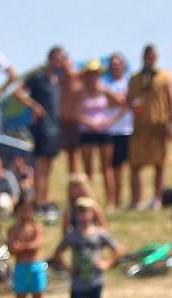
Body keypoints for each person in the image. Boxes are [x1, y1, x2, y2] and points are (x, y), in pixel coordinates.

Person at [53, 196, 120, 298]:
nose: (83, 216)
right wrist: (68, 268)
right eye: (80, 212)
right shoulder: (72, 235)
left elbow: (117, 249)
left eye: (86, 212)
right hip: (77, 284)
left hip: (94, 283)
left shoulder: (99, 234)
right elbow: (57, 253)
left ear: (92, 214)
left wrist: (107, 263)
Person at [13, 46, 64, 210]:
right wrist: (34, 106)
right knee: (40, 167)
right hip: (42, 129)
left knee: (48, 168)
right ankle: (38, 202)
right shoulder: (38, 78)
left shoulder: (56, 80)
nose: (59, 63)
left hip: (54, 128)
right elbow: (17, 92)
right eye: (57, 59)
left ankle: (44, 200)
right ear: (49, 60)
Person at [127, 45, 172, 209]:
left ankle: (157, 198)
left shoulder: (165, 77)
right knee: (135, 165)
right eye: (147, 55)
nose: (150, 58)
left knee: (159, 164)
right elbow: (128, 100)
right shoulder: (134, 78)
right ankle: (136, 200)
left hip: (158, 124)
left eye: (153, 55)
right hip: (139, 126)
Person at [74, 59, 116, 208]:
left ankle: (111, 202)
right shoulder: (81, 92)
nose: (93, 77)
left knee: (106, 168)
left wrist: (110, 121)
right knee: (88, 170)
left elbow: (123, 104)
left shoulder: (104, 90)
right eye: (90, 74)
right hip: (86, 132)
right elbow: (75, 113)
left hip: (103, 132)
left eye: (96, 74)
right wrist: (88, 122)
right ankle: (89, 201)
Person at [7, 198, 45, 298]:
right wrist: (26, 247)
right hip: (21, 269)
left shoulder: (36, 227)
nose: (26, 213)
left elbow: (36, 245)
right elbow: (12, 248)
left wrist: (21, 246)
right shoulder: (12, 230)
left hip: (35, 268)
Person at [103, 53, 132, 208]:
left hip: (127, 130)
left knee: (125, 168)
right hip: (111, 131)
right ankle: (112, 199)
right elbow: (112, 102)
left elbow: (128, 102)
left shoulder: (129, 82)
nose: (116, 67)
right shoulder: (105, 83)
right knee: (112, 169)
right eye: (113, 64)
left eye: (118, 64)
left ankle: (122, 199)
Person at [59, 54, 82, 175]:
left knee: (76, 157)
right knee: (67, 156)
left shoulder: (80, 79)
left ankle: (79, 184)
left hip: (77, 123)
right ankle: (72, 183)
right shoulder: (59, 82)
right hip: (63, 123)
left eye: (68, 63)